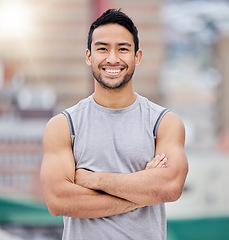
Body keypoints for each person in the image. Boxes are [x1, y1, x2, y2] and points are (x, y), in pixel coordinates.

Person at [40, 9, 188, 240]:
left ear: (137, 56)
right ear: (89, 56)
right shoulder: (64, 126)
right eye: (102, 49)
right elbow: (59, 201)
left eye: (123, 49)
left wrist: (91, 179)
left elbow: (169, 187)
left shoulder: (164, 123)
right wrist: (143, 191)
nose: (112, 58)